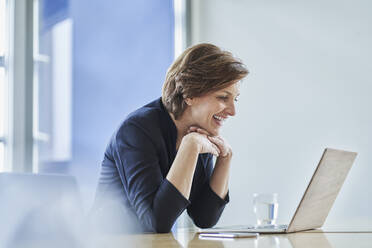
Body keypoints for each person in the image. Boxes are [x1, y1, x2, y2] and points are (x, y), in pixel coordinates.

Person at [91, 43, 249, 233]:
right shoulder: (137, 130)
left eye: (235, 99)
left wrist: (225, 158)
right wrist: (189, 146)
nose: (233, 111)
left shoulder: (199, 133)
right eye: (223, 97)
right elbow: (156, 222)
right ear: (189, 94)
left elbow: (204, 217)